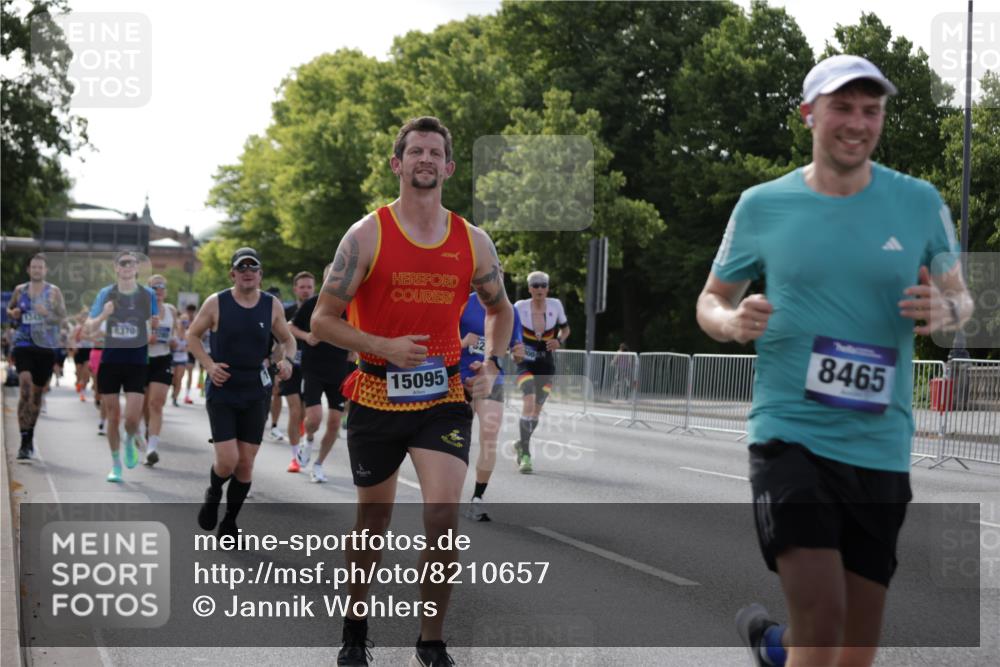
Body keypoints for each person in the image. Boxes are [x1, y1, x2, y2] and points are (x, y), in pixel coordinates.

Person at [695, 55, 973, 667]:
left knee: (854, 643)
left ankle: (775, 648)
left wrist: (945, 311)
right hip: (789, 433)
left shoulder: (919, 203)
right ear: (808, 114)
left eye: (870, 110)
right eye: (842, 107)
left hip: (879, 443)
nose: (857, 122)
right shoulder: (763, 205)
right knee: (822, 619)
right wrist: (731, 322)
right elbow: (711, 301)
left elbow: (961, 299)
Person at [311, 116, 513, 667]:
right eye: (415, 151)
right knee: (372, 522)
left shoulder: (472, 240)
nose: (425, 159)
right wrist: (383, 344)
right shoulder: (366, 235)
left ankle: (430, 641)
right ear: (398, 164)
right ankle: (355, 626)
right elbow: (324, 320)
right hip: (376, 391)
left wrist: (490, 364)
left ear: (448, 167)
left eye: (435, 153)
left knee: (442, 515)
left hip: (443, 393)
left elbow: (501, 309)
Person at [188, 247, 295, 538]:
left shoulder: (272, 305)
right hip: (223, 388)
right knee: (227, 461)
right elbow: (192, 336)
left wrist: (285, 360)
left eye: (253, 268)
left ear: (260, 275)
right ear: (232, 274)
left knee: (245, 464)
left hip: (255, 390)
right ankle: (213, 493)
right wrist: (209, 366)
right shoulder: (216, 303)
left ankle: (229, 523)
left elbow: (287, 340)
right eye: (241, 268)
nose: (247, 272)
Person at [85, 251, 158, 482]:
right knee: (113, 417)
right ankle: (115, 464)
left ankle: (130, 440)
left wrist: (149, 329)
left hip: (136, 361)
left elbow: (152, 326)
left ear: (137, 268)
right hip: (111, 361)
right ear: (116, 268)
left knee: (133, 419)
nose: (127, 267)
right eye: (123, 263)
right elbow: (89, 327)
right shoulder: (106, 293)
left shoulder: (148, 295)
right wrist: (104, 315)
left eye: (131, 263)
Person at [458, 290, 524, 521]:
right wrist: (463, 343)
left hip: (491, 380)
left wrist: (518, 353)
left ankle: (477, 498)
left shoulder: (509, 309)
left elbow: (517, 349)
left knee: (490, 433)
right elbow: (441, 343)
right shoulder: (463, 302)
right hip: (458, 379)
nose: (496, 278)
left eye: (500, 273)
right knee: (455, 440)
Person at [289, 263, 353, 483]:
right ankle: (307, 440)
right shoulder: (313, 304)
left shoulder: (351, 305)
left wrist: (355, 349)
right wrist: (306, 337)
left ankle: (318, 465)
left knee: (335, 422)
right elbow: (291, 327)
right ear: (326, 280)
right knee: (314, 417)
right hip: (313, 368)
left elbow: (359, 331)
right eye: (332, 277)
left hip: (339, 370)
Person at [6, 253, 66, 460]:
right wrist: (12, 312)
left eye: (40, 267)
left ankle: (30, 435)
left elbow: (62, 317)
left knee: (37, 395)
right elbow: (10, 308)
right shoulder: (20, 290)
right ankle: (23, 441)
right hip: (23, 343)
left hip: (45, 347)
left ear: (45, 270)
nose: (37, 270)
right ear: (29, 270)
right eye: (34, 267)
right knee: (24, 386)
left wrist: (47, 313)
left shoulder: (54, 292)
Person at [511, 271, 570, 473]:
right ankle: (526, 454)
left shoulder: (555, 306)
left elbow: (566, 329)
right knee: (528, 402)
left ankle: (521, 442)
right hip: (524, 363)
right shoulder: (519, 307)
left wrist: (559, 341)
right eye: (535, 285)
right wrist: (512, 347)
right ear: (529, 288)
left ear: (547, 288)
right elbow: (507, 329)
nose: (539, 289)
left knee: (536, 411)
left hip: (546, 365)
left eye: (543, 285)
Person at [142, 275, 180, 466]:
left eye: (162, 287)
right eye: (154, 287)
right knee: (143, 405)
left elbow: (175, 335)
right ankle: (146, 430)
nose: (158, 290)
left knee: (156, 403)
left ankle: (152, 447)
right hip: (142, 360)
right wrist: (146, 338)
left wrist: (173, 341)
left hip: (163, 359)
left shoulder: (171, 310)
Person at [281, 271, 314, 473]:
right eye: (302, 287)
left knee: (304, 412)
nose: (306, 291)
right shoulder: (286, 311)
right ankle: (294, 457)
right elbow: (278, 338)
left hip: (313, 368)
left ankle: (304, 438)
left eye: (309, 287)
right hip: (291, 366)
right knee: (294, 410)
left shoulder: (319, 311)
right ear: (295, 289)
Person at [171, 306, 191, 407]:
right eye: (183, 321)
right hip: (173, 358)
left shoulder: (188, 333)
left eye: (186, 321)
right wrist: (173, 345)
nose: (184, 323)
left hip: (182, 359)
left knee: (179, 378)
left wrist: (186, 348)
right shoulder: (174, 332)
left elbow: (190, 347)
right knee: (173, 378)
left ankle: (175, 397)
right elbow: (170, 344)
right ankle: (173, 391)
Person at [182, 304, 198, 404]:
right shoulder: (183, 319)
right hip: (182, 350)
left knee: (190, 372)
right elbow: (180, 331)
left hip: (191, 350)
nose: (190, 313)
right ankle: (176, 388)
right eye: (189, 311)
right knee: (179, 373)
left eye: (192, 311)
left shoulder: (197, 320)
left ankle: (187, 394)